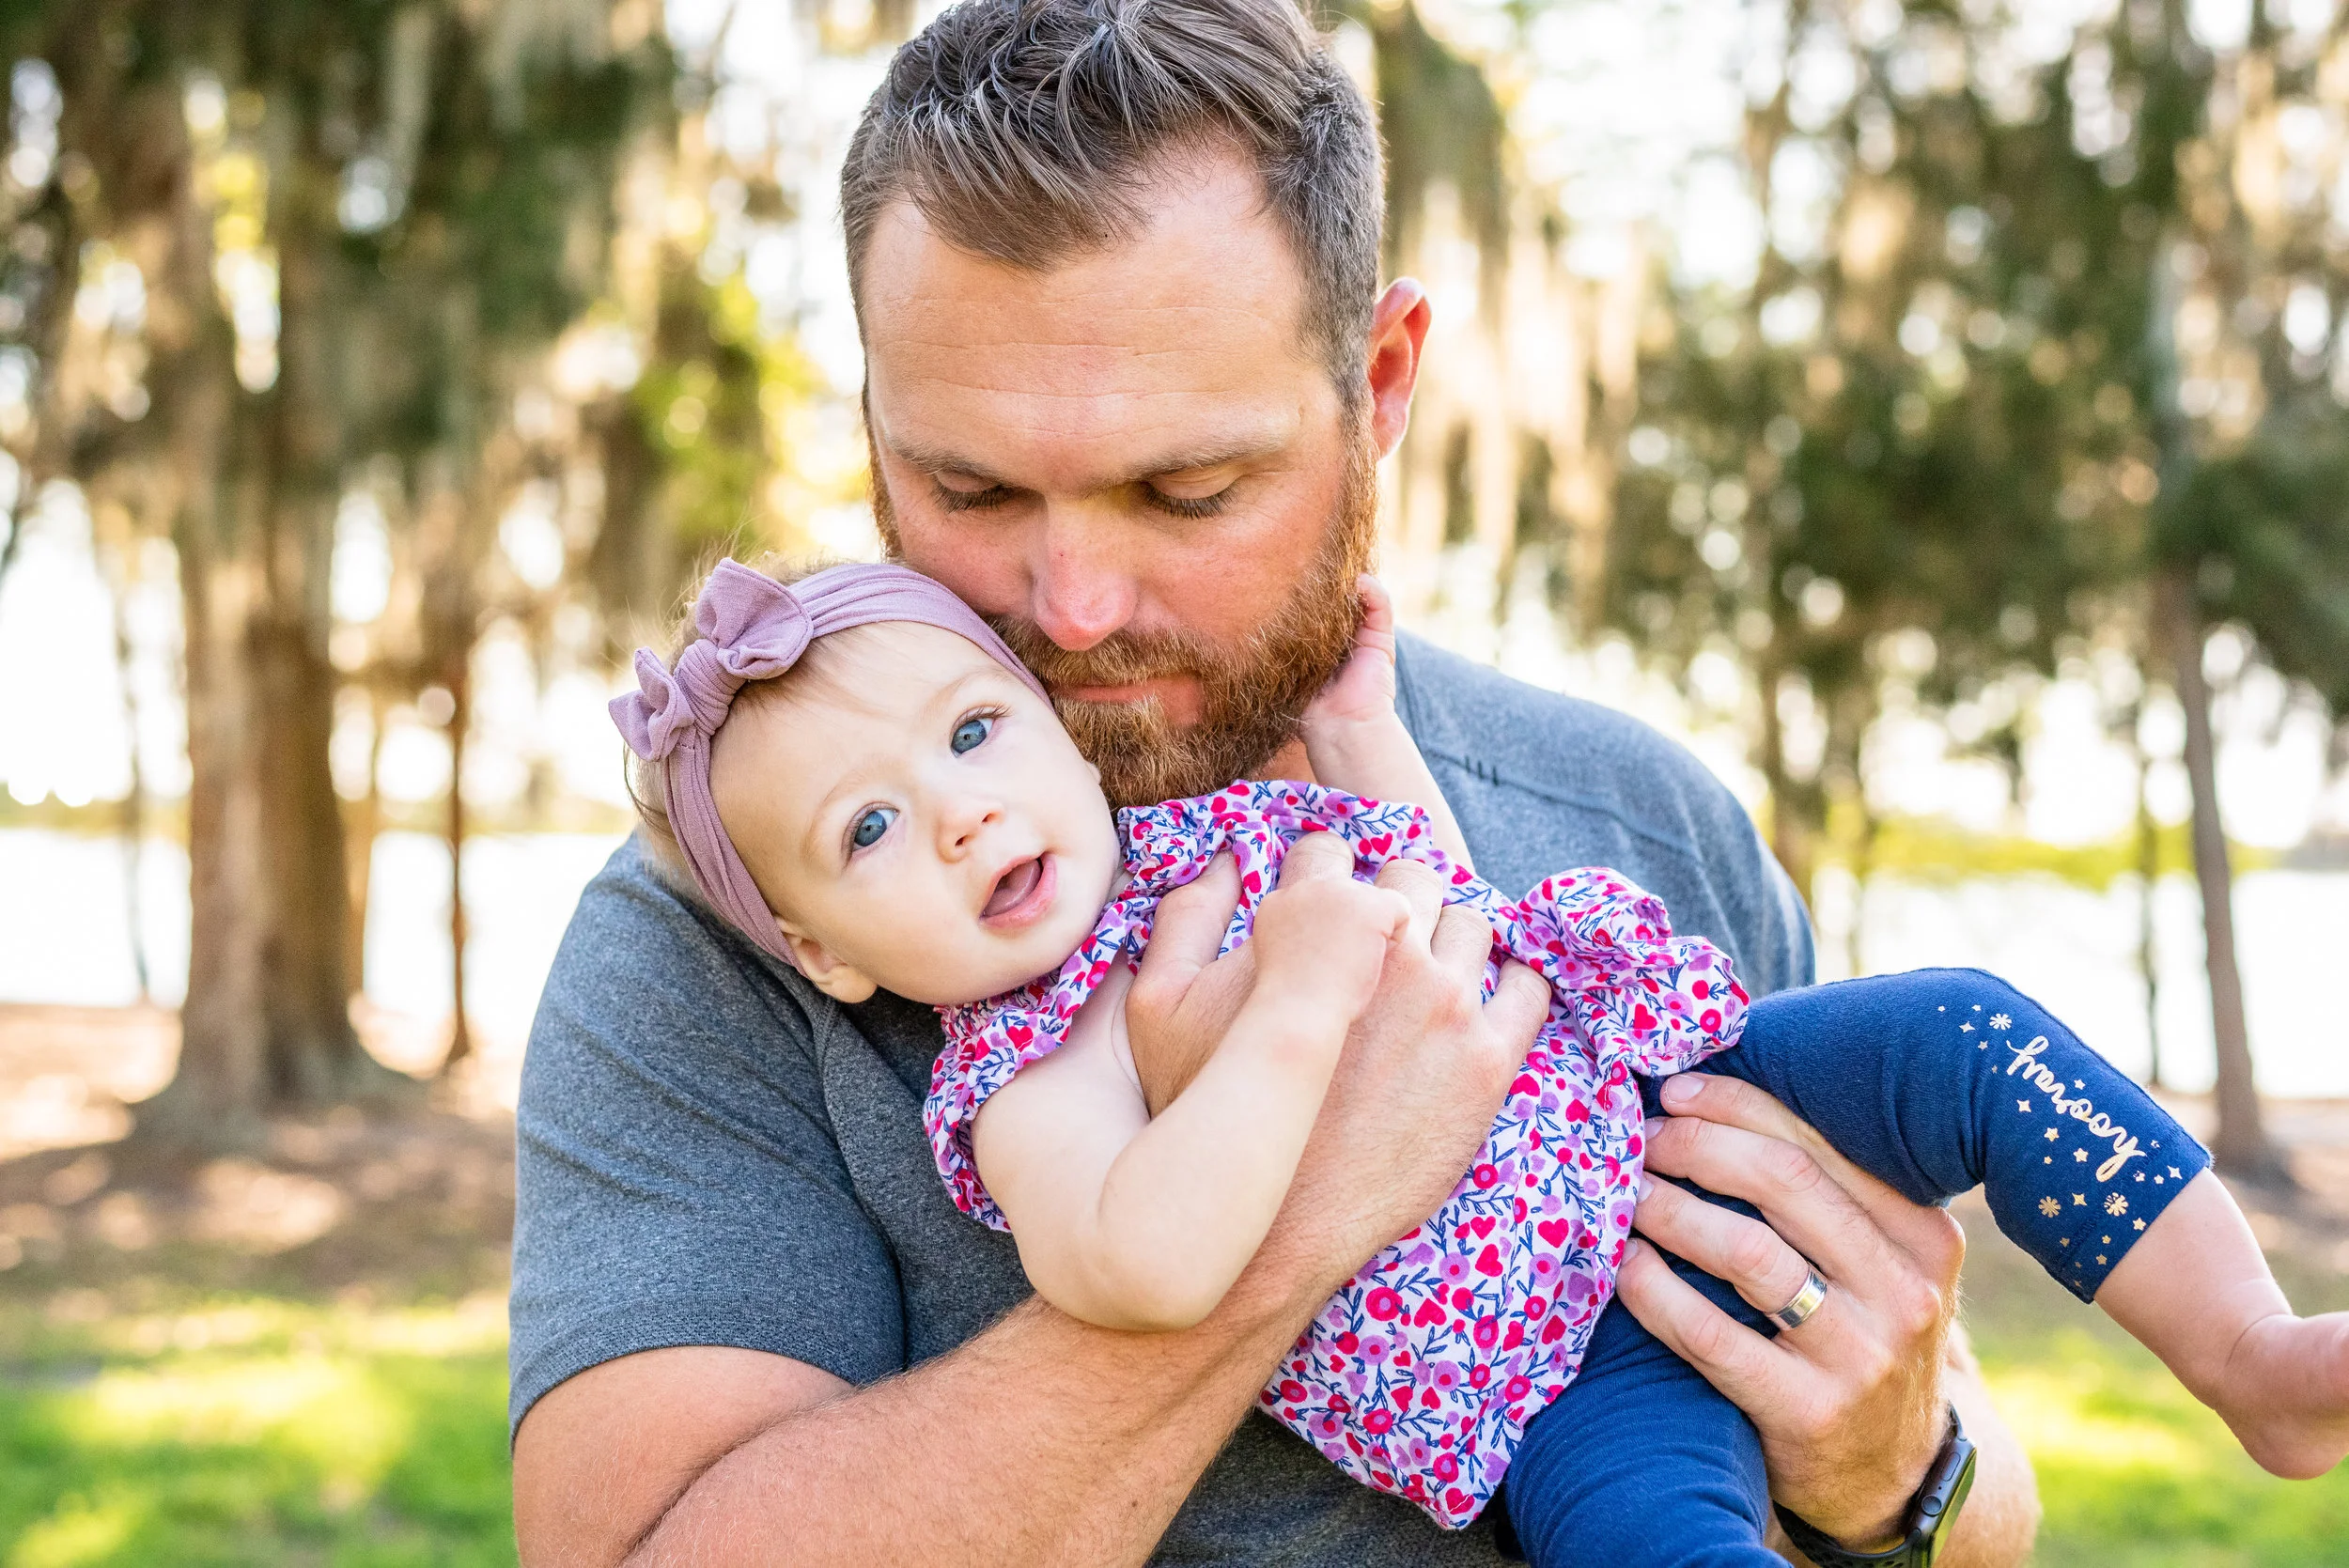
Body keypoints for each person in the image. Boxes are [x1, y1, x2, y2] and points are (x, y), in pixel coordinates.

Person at [508, 0, 2051, 1561]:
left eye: (1188, 490)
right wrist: (1306, 1205)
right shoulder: (735, 934)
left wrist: (1898, 1472)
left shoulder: (1639, 816)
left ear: (1378, 387)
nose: (1075, 604)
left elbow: (1989, 1516)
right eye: (970, 486)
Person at [589, 551, 2349, 1566]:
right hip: (1556, 1371)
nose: (965, 811)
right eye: (873, 829)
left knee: (1966, 1030)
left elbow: (1457, 905)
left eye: (976, 733)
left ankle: (2254, 1353)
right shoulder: (1033, 1074)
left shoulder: (1224, 829)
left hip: (1666, 1101)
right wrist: (1287, 1028)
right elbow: (1140, 1261)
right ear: (817, 947)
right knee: (1657, 1547)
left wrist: (1363, 744)